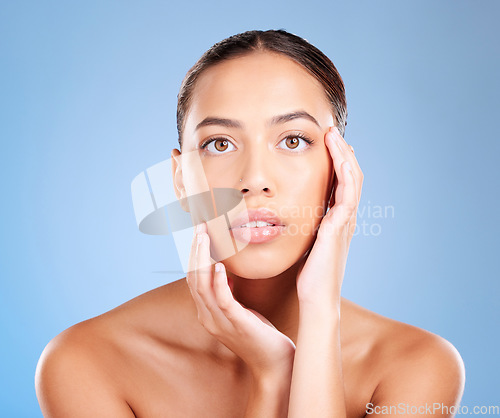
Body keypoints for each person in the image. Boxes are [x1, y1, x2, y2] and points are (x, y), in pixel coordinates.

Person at [35, 29, 465, 417]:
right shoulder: (87, 361)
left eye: (293, 140)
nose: (255, 179)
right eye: (220, 144)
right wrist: (274, 376)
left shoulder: (416, 366)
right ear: (181, 180)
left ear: (340, 167)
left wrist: (319, 316)